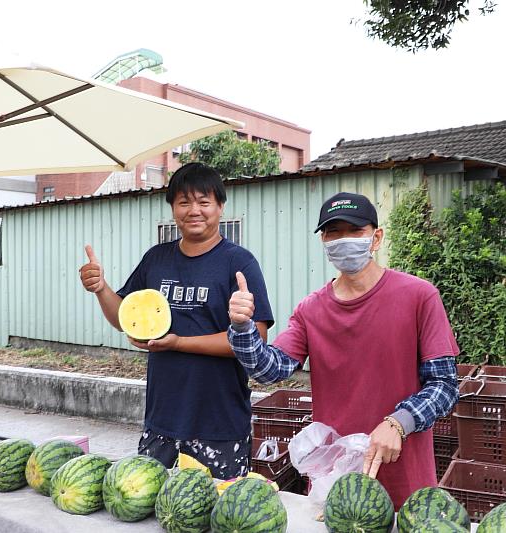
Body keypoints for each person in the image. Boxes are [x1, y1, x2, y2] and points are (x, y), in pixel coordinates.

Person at [227, 192, 459, 508]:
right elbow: (271, 369)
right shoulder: (311, 309)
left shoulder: (419, 296)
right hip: (334, 482)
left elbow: (444, 385)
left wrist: (399, 422)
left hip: (406, 479)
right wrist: (242, 329)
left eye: (354, 231)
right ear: (323, 241)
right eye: (333, 232)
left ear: (376, 238)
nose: (343, 240)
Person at [79, 162, 274, 479]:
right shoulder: (157, 258)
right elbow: (124, 317)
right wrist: (101, 288)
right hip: (162, 420)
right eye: (184, 201)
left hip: (219, 424)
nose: (194, 210)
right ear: (173, 208)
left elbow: (257, 340)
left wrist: (179, 343)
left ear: (220, 207)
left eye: (204, 201)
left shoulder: (238, 262)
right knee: (155, 513)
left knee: (218, 518)